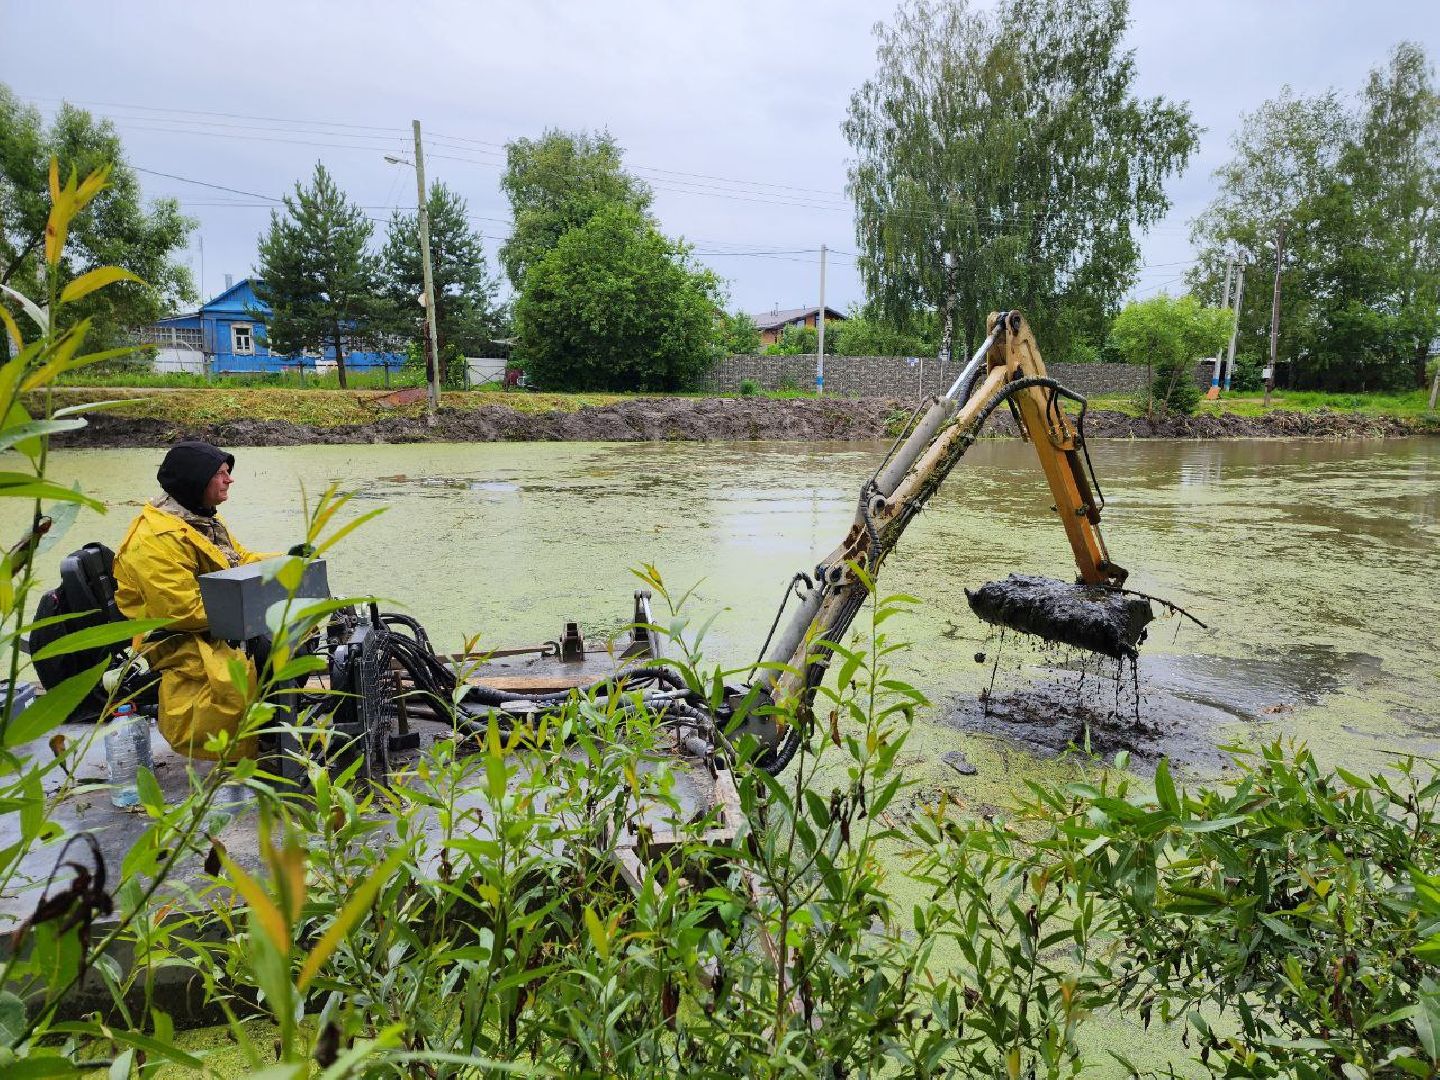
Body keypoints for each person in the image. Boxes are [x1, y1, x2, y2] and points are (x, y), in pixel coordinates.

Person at [113, 441, 272, 760]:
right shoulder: (155, 539)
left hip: (215, 622)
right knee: (234, 679)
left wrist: (287, 563)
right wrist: (253, 609)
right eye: (221, 474)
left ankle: (270, 731)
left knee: (289, 638)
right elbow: (182, 611)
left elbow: (238, 561)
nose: (229, 479)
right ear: (196, 481)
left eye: (228, 472)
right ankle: (241, 753)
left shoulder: (200, 519)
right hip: (176, 638)